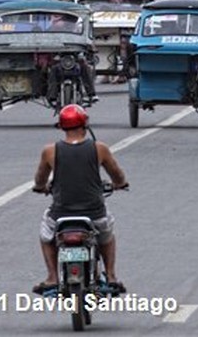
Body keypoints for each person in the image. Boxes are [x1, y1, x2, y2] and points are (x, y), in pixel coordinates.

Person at [32, 104, 128, 296]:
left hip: (61, 214)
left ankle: (52, 276)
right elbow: (117, 175)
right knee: (107, 236)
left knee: (46, 235)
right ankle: (110, 275)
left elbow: (40, 179)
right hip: (94, 213)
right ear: (85, 124)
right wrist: (120, 183)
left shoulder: (50, 151)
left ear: (61, 126)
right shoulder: (99, 149)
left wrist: (41, 188)